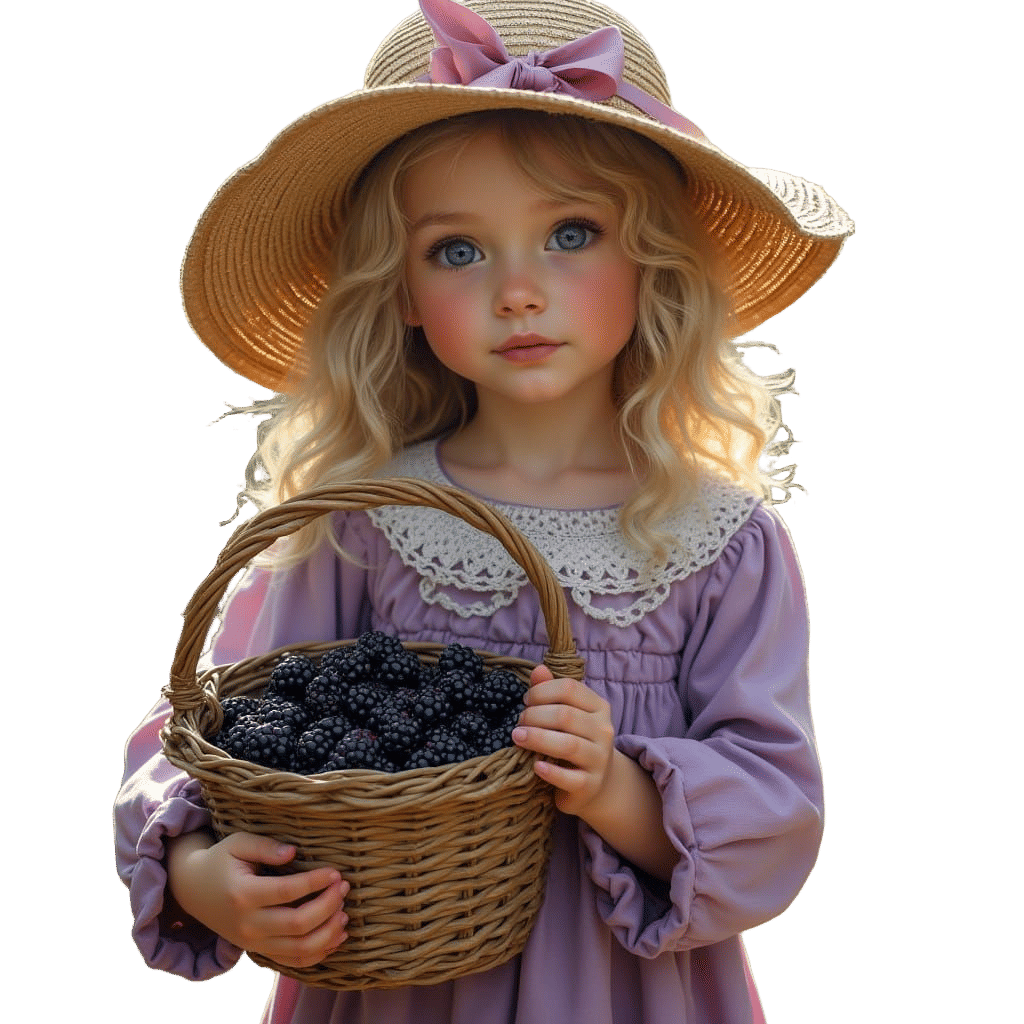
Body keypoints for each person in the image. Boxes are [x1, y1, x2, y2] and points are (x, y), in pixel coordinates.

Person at [113, 1, 855, 1021]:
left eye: (570, 234)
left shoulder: (721, 543)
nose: (517, 290)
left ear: (650, 261)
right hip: (393, 974)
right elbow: (207, 721)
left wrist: (615, 787)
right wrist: (202, 870)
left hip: (629, 991)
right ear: (403, 291)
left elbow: (775, 806)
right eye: (458, 250)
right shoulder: (361, 524)